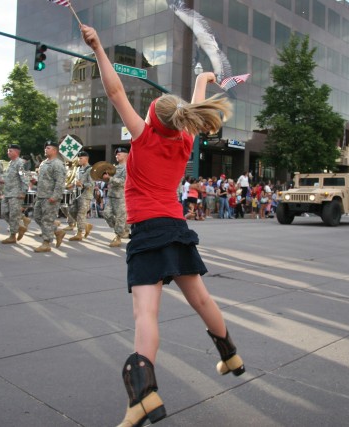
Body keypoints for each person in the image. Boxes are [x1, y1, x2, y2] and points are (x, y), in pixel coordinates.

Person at [81, 24, 245, 427]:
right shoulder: (185, 140)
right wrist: (203, 79)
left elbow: (115, 91)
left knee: (145, 315)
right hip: (175, 226)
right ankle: (230, 355)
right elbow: (194, 105)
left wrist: (99, 46)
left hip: (148, 231)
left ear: (154, 118)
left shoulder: (144, 135)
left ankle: (143, 397)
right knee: (202, 300)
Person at [31, 141, 66, 252]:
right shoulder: (43, 163)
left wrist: (55, 196)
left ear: (55, 150)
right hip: (41, 195)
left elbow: (60, 182)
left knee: (47, 220)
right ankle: (57, 231)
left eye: (48, 148)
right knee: (37, 217)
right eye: (45, 148)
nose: (45, 149)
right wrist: (35, 181)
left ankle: (46, 244)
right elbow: (44, 180)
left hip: (50, 197)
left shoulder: (58, 164)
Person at [0, 144, 29, 244]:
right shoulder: (10, 163)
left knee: (13, 215)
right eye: (8, 151)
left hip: (16, 194)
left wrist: (23, 192)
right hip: (7, 192)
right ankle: (19, 227)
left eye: (10, 151)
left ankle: (12, 236)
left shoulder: (20, 163)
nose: (8, 152)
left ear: (17, 152)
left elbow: (24, 178)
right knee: (4, 213)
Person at [103, 146, 129, 247]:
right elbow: (110, 180)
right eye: (116, 154)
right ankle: (122, 229)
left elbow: (124, 182)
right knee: (106, 214)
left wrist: (110, 178)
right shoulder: (114, 167)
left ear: (126, 155)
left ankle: (118, 237)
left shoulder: (128, 167)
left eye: (119, 154)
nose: (116, 156)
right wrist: (106, 178)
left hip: (121, 196)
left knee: (120, 218)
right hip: (111, 195)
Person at [67, 151, 94, 241]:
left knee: (81, 214)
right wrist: (73, 184)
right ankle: (85, 225)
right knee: (71, 211)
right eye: (78, 158)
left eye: (81, 158)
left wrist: (82, 184)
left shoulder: (90, 170)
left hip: (85, 195)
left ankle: (79, 234)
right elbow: (76, 179)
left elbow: (91, 184)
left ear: (86, 159)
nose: (79, 160)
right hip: (77, 194)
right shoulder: (78, 169)